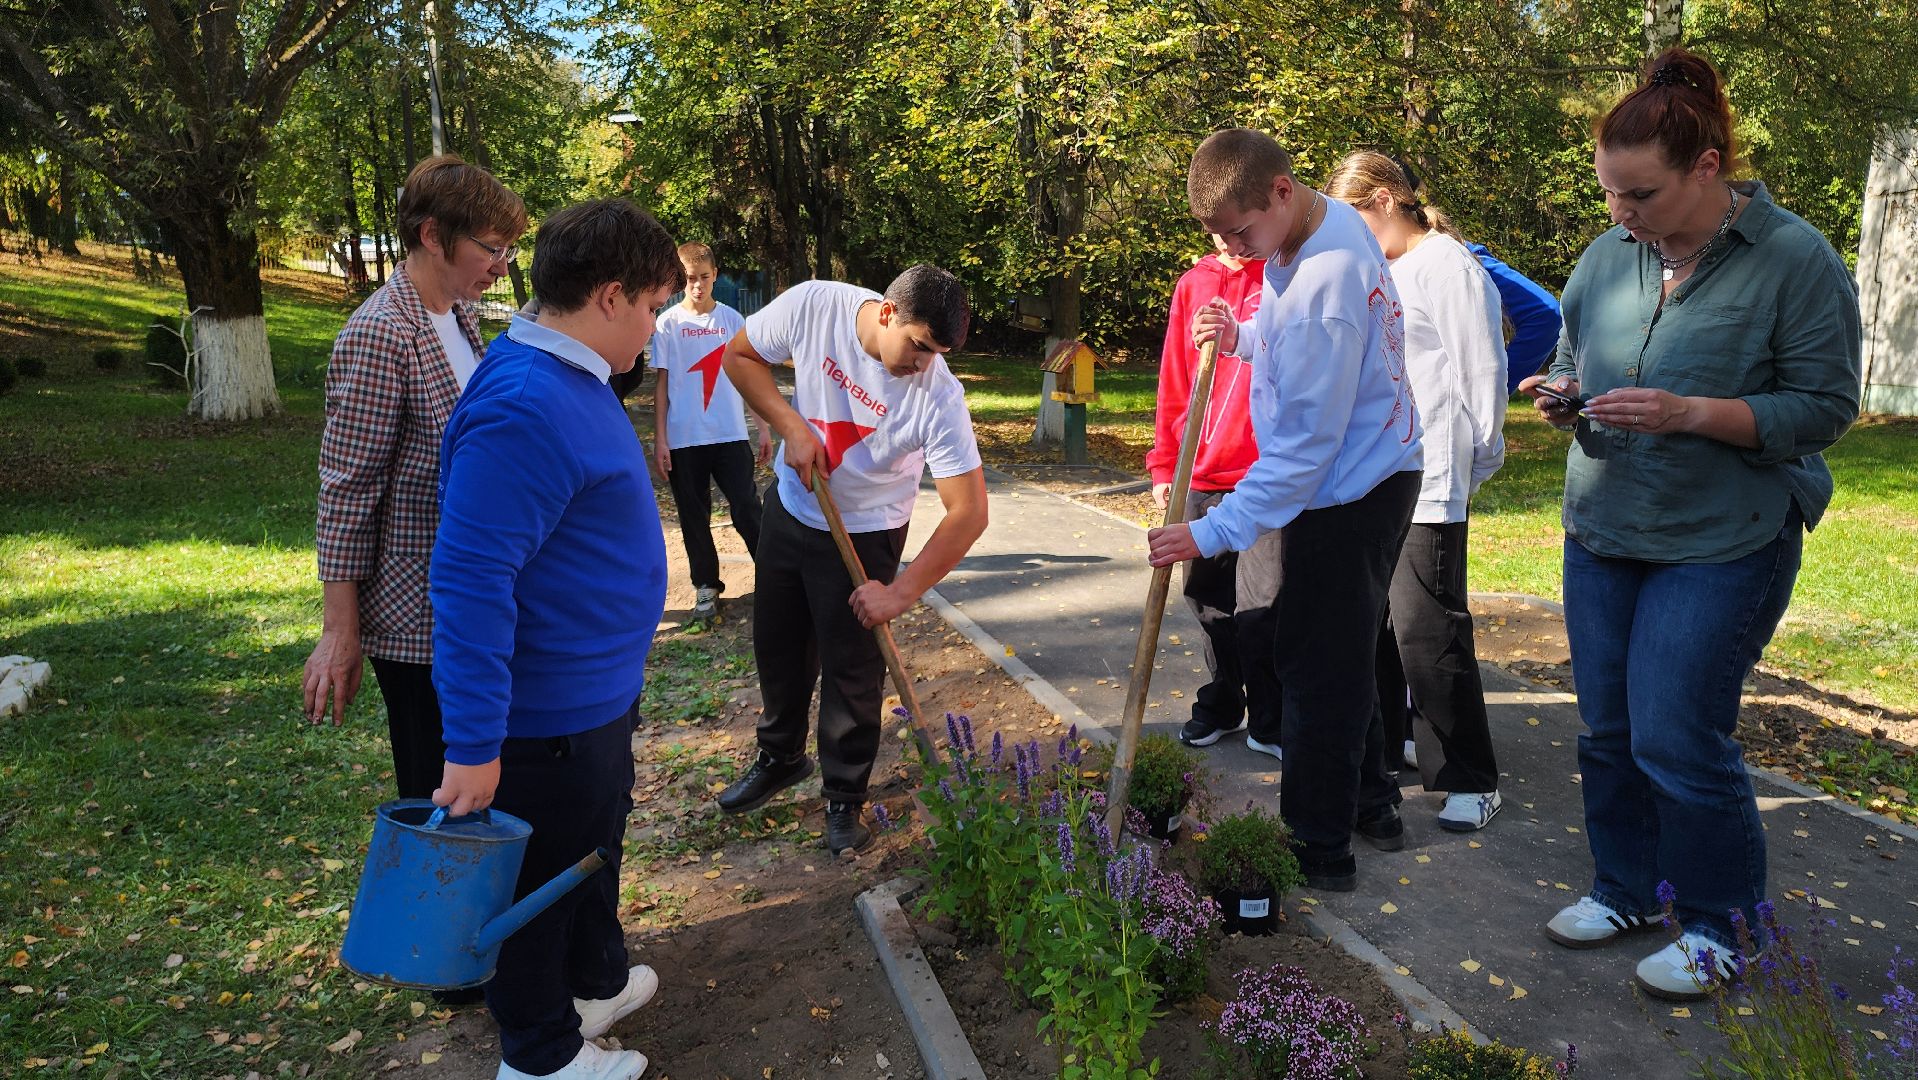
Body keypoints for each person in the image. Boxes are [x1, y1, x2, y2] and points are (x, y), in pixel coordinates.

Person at [1520, 48, 1860, 1002]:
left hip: (1723, 537)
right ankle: (1627, 888)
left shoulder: (1795, 259)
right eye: (1611, 194)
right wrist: (1563, 393)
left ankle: (1722, 926)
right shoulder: (1606, 253)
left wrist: (1687, 412)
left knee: (1677, 733)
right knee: (1608, 727)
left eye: (1642, 195)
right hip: (1604, 527)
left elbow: (1825, 408)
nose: (1622, 215)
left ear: (1706, 169)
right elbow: (1572, 350)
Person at [428, 198, 680, 1080]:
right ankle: (538, 1060)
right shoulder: (528, 403)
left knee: (584, 857)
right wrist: (471, 745)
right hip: (544, 718)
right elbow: (468, 580)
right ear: (609, 296)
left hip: (592, 700)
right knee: (537, 887)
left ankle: (585, 991)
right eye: (651, 307)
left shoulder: (570, 374)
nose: (653, 331)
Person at [1146, 128, 1423, 891]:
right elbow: (1293, 331)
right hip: (1372, 464)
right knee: (1348, 647)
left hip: (1352, 487)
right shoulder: (1316, 221)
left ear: (1278, 190)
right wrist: (1243, 335)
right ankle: (1372, 804)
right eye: (1216, 237)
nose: (1233, 251)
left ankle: (1318, 850)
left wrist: (1209, 530)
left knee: (1314, 666)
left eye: (1240, 232)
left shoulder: (1327, 289)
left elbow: (1300, 456)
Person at [713, 267, 989, 855]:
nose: (923, 364)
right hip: (793, 509)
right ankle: (780, 756)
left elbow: (968, 513)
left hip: (866, 535)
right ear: (887, 313)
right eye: (918, 345)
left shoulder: (939, 395)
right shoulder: (816, 306)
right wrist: (790, 424)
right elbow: (737, 355)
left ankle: (843, 796)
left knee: (853, 671)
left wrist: (900, 592)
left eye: (936, 354)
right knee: (778, 647)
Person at [305, 154, 526, 802]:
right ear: (433, 235)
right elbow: (346, 493)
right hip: (416, 627)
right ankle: (448, 908)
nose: (501, 265)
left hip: (466, 611)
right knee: (444, 801)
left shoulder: (457, 316)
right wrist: (339, 631)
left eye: (509, 249)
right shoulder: (380, 333)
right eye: (492, 248)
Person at [1325, 151, 1506, 832]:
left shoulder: (1449, 266)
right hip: (1374, 478)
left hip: (1431, 480)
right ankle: (1388, 755)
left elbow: (1481, 373)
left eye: (1351, 218)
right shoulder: (1383, 269)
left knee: (1428, 629)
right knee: (1372, 631)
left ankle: (1469, 777)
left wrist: (1472, 467)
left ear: (1382, 201)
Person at [1147, 236, 1282, 759]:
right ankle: (1225, 699)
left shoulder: (1281, 275)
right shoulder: (1194, 284)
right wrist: (1166, 463)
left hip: (1263, 472)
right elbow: (1173, 381)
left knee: (1264, 602)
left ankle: (1272, 717)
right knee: (1207, 600)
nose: (1228, 239)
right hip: (1200, 471)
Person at [651, 242, 771, 620]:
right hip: (685, 438)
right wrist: (661, 439)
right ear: (679, 279)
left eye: (704, 277)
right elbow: (662, 385)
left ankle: (773, 574)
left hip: (730, 434)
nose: (698, 285)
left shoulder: (733, 320)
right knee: (692, 513)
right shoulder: (667, 324)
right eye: (689, 279)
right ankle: (706, 586)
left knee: (747, 506)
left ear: (715, 275)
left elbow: (750, 378)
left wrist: (763, 426)